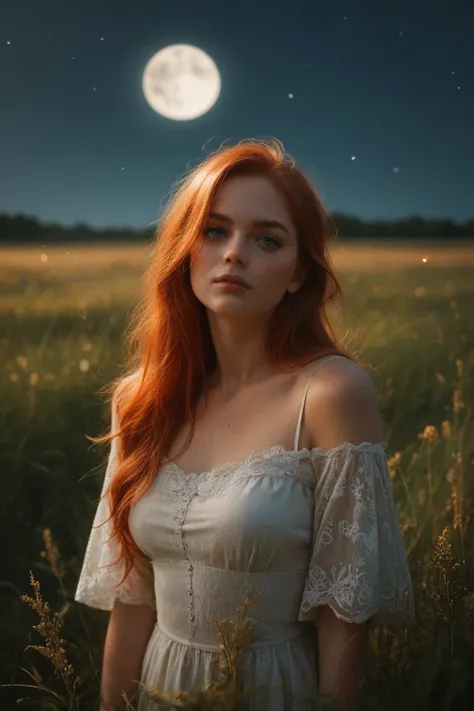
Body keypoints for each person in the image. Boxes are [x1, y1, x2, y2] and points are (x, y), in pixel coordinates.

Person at [74, 138, 415, 711]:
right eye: (214, 231)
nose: (235, 254)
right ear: (184, 249)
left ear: (296, 274)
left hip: (276, 691)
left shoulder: (330, 393)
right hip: (161, 686)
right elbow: (133, 602)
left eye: (266, 239)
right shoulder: (141, 399)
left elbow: (344, 612)